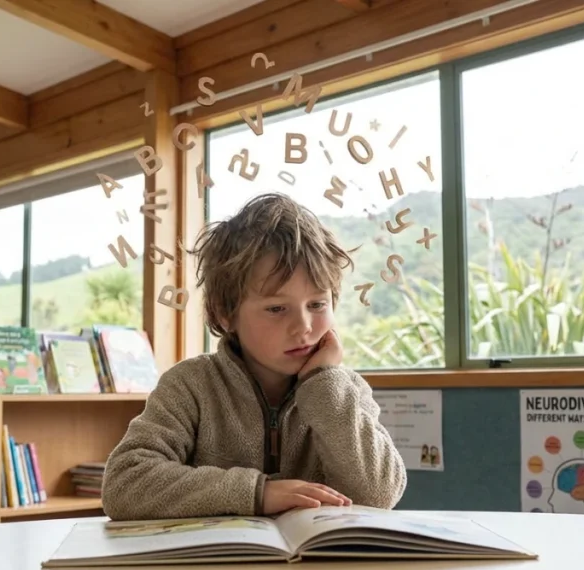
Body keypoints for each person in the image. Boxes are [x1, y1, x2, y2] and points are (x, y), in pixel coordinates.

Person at [101, 193, 407, 521]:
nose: (303, 327)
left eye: (317, 305)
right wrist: (257, 493)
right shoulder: (190, 385)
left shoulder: (344, 391)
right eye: (277, 309)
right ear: (224, 315)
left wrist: (322, 382)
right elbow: (125, 483)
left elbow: (378, 494)